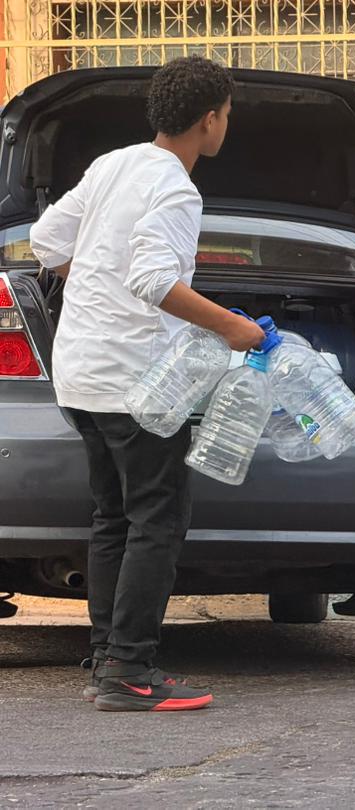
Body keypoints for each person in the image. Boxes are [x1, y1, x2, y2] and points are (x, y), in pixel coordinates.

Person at [29, 56, 266, 712]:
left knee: (114, 514)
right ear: (209, 119)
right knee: (158, 516)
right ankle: (131, 672)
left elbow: (46, 240)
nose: (227, 125)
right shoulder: (175, 188)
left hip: (79, 372)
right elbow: (154, 281)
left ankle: (107, 658)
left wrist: (89, 278)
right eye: (227, 115)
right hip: (133, 382)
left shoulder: (115, 164)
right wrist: (232, 329)